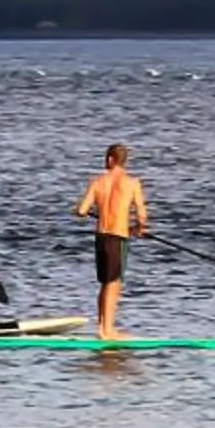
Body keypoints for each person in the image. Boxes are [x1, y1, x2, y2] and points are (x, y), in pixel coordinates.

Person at [73, 142, 150, 339]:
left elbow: (82, 210)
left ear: (110, 159)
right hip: (118, 237)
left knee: (105, 282)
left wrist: (79, 211)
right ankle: (107, 331)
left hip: (101, 236)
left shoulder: (97, 182)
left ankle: (103, 328)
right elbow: (141, 215)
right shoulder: (132, 183)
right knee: (114, 283)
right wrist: (139, 229)